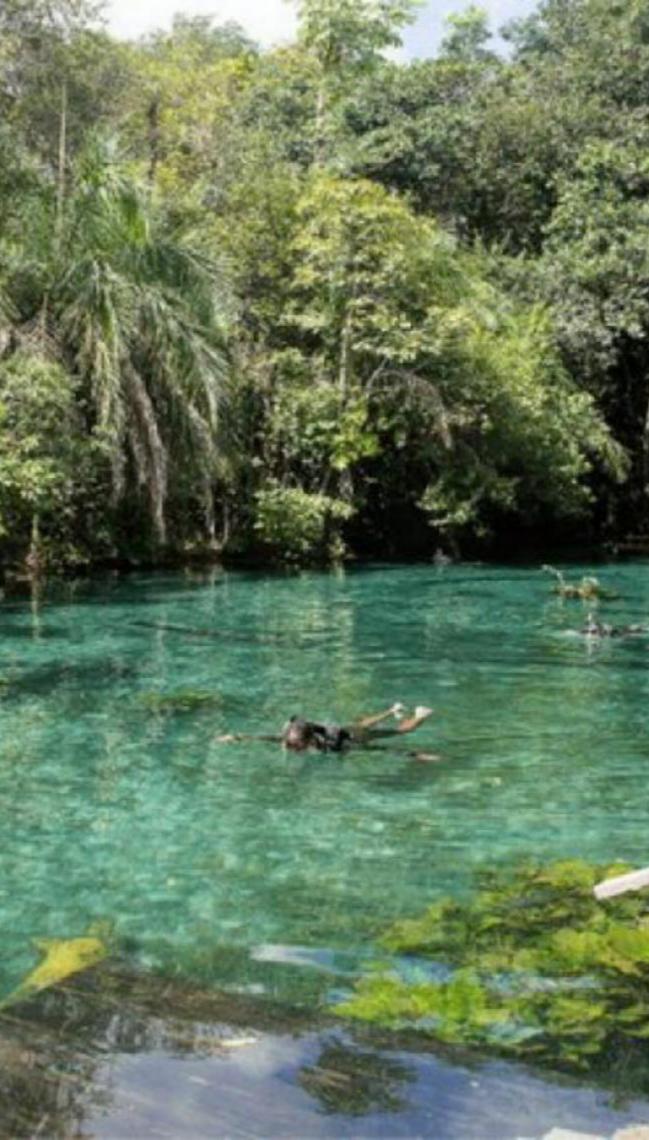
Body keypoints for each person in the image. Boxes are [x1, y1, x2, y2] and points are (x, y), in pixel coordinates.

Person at [217, 703, 435, 754]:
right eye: (291, 744)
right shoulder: (294, 736)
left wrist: (414, 754)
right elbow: (268, 738)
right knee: (360, 724)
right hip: (344, 729)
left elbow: (377, 750)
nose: (291, 747)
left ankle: (420, 714)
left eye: (295, 745)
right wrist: (236, 737)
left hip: (354, 736)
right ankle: (392, 709)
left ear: (308, 740)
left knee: (401, 732)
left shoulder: (335, 744)